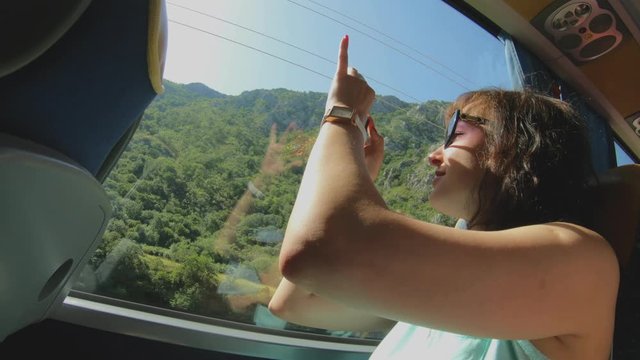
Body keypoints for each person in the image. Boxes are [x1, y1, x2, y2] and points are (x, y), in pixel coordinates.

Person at [268, 35, 619, 359]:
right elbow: (296, 301)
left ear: (515, 146)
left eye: (456, 132)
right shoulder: (446, 286)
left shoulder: (582, 258)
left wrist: (343, 114)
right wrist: (361, 169)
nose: (433, 154)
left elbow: (317, 253)